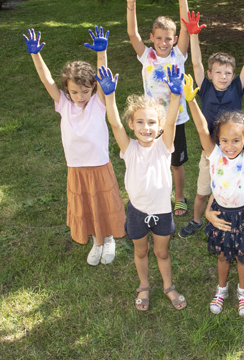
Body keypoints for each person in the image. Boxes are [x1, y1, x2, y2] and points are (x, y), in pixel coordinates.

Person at [22, 27, 126, 266]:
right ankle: (96, 241)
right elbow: (45, 79)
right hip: (76, 166)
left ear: (93, 88)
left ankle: (108, 238)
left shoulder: (99, 102)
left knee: (104, 202)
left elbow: (103, 74)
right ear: (67, 90)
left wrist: (102, 52)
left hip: (99, 163)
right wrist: (36, 55)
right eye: (75, 91)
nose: (80, 96)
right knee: (86, 204)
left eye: (85, 91)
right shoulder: (63, 104)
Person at [183, 68, 244, 316]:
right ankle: (222, 288)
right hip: (221, 214)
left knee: (243, 258)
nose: (229, 145)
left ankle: (242, 292)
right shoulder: (214, 155)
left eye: (236, 140)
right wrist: (192, 100)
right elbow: (203, 130)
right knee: (223, 257)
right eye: (224, 140)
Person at [95, 64, 187, 311]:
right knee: (141, 251)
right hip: (137, 212)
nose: (146, 128)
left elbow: (171, 124)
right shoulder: (129, 148)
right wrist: (110, 96)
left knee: (162, 252)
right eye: (140, 123)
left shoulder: (163, 145)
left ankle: (168, 286)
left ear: (158, 127)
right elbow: (114, 124)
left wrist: (176, 95)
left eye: (151, 123)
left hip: (162, 212)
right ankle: (144, 285)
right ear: (132, 125)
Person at [177, 10, 244, 239]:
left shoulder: (236, 87)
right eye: (218, 72)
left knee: (236, 188)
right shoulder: (204, 87)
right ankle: (197, 219)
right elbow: (195, 61)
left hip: (237, 150)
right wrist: (193, 36)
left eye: (228, 73)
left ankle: (236, 215)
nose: (223, 77)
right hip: (212, 152)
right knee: (203, 191)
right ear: (209, 74)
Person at [121, 0, 191, 218]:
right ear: (152, 38)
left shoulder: (179, 55)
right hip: (152, 121)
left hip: (175, 120)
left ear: (174, 39)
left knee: (176, 162)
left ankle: (179, 197)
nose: (163, 42)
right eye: (158, 38)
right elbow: (132, 34)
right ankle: (154, 191)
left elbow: (186, 27)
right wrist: (131, 4)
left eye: (168, 38)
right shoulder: (146, 56)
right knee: (151, 158)